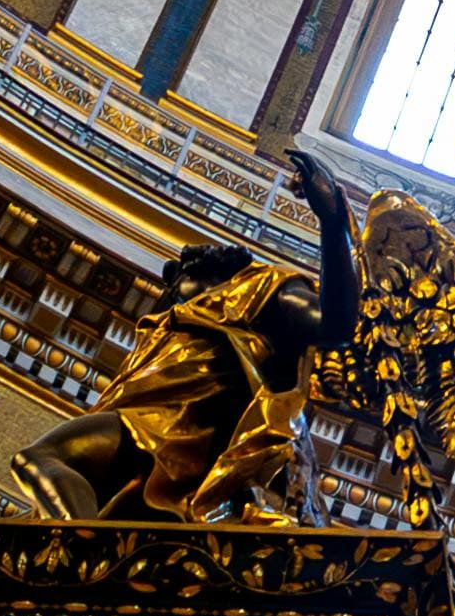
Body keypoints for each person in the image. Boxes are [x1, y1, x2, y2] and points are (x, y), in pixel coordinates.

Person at [26, 148, 365, 520]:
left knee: (43, 458)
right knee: (50, 471)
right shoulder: (166, 329)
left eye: (182, 278)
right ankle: (84, 554)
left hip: (189, 428)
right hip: (150, 430)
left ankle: (81, 558)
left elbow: (337, 325)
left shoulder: (265, 287)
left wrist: (332, 220)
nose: (171, 279)